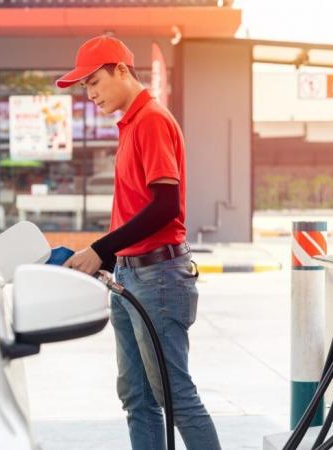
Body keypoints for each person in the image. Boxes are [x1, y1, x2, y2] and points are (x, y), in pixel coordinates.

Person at [57, 35, 221, 450]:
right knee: (137, 398)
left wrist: (101, 250)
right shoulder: (130, 124)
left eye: (94, 82)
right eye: (84, 87)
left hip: (159, 279)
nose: (90, 94)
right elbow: (137, 207)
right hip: (131, 277)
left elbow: (166, 205)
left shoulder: (151, 120)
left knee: (175, 398)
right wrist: (109, 258)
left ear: (122, 70)